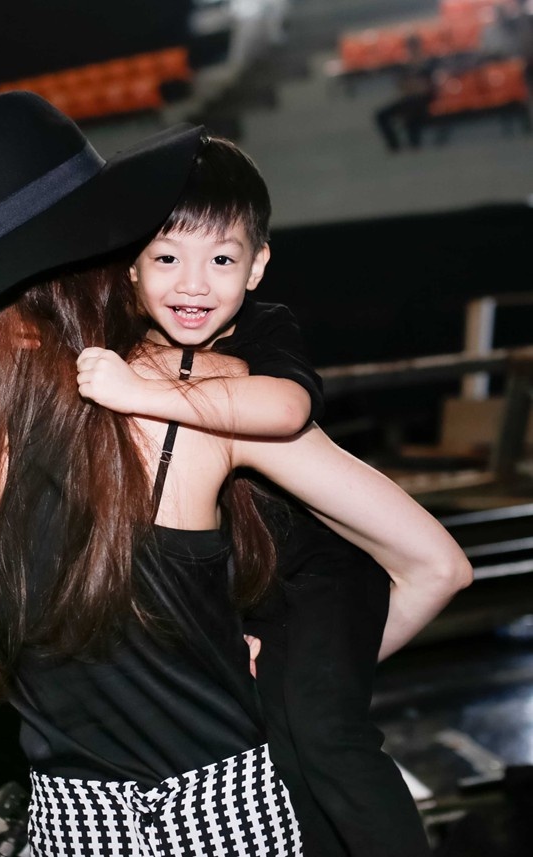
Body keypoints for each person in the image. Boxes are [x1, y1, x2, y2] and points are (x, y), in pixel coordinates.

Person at [0, 92, 472, 857]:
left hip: (72, 834)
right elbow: (436, 565)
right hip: (227, 827)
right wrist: (293, 682)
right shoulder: (189, 389)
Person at [74, 136, 443, 856]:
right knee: (275, 760)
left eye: (221, 260)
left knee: (325, 733)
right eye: (167, 258)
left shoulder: (263, 328)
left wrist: (143, 393)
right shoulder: (126, 340)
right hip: (244, 589)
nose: (193, 285)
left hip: (320, 579)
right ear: (130, 266)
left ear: (257, 266)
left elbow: (285, 410)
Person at [374, 34, 438, 152]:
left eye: (414, 46)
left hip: (423, 99)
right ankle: (394, 145)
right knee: (381, 115)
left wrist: (414, 83)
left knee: (412, 116)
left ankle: (413, 145)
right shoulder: (405, 66)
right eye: (410, 46)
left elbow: (425, 87)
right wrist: (412, 83)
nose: (412, 49)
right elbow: (403, 86)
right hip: (410, 99)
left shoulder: (428, 63)